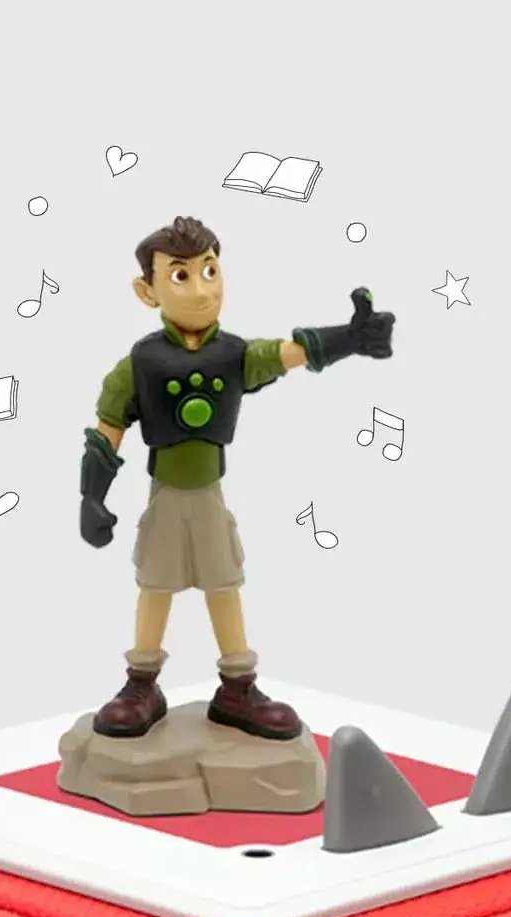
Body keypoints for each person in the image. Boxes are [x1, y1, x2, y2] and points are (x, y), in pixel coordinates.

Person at [79, 216, 396, 740]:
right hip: (165, 495)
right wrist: (91, 495)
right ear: (147, 291)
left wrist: (350, 337)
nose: (202, 290)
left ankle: (237, 686)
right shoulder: (138, 365)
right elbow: (105, 431)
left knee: (223, 582)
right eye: (181, 276)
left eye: (210, 270)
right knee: (155, 583)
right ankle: (141, 683)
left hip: (208, 495)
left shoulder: (234, 356)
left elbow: (290, 353)